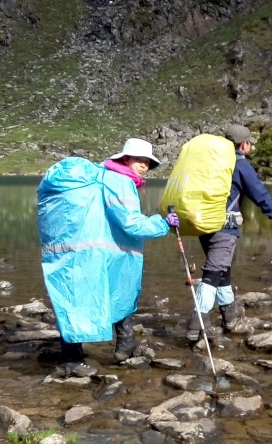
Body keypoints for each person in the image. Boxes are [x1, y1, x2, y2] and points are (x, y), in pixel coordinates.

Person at [38, 138, 179, 377]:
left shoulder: (103, 178)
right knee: (98, 296)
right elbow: (131, 223)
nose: (144, 166)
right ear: (124, 159)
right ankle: (71, 359)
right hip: (103, 251)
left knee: (88, 295)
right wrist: (162, 223)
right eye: (139, 160)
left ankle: (124, 345)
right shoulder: (121, 181)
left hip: (84, 250)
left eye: (147, 163)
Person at [187, 124, 272, 342]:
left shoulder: (210, 161)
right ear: (244, 144)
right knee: (214, 272)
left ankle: (230, 317)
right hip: (225, 227)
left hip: (204, 224)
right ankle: (196, 325)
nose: (251, 146)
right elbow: (259, 193)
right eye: (250, 143)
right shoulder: (239, 163)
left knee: (223, 270)